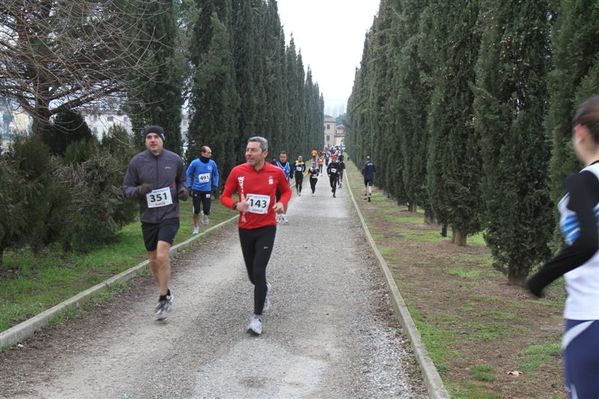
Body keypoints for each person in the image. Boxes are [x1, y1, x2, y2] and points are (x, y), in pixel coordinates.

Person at [526, 96, 599, 399]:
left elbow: (589, 240)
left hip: (590, 319)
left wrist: (540, 278)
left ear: (580, 132)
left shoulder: (582, 182)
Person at [220, 136, 291, 336]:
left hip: (267, 227)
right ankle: (264, 288)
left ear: (264, 153)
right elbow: (224, 196)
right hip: (245, 228)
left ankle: (256, 318)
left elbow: (286, 192)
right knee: (252, 275)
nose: (249, 153)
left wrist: (281, 204)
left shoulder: (275, 173)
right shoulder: (238, 172)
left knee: (259, 270)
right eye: (247, 150)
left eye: (253, 150)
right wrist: (235, 205)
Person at [122, 125, 188, 321]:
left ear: (162, 139)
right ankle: (166, 291)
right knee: (153, 259)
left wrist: (184, 191)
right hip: (148, 218)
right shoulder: (137, 162)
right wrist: (139, 191)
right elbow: (126, 189)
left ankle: (162, 300)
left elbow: (183, 181)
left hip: (170, 215)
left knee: (162, 254)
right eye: (149, 137)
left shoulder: (174, 159)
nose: (152, 140)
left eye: (156, 137)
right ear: (145, 141)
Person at [186, 146, 219, 234]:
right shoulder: (195, 163)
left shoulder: (212, 163)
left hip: (207, 190)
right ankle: (196, 227)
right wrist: (189, 186)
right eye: (208, 153)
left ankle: (205, 215)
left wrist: (215, 185)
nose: (210, 154)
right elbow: (188, 174)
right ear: (202, 153)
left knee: (207, 209)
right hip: (196, 189)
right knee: (196, 210)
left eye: (210, 153)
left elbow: (216, 174)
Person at [275, 151, 291, 223]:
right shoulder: (276, 164)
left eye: (284, 157)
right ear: (279, 157)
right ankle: (278, 216)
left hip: (286, 187)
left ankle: (284, 215)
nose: (282, 158)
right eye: (281, 157)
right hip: (277, 187)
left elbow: (291, 175)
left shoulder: (289, 164)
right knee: (278, 201)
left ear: (286, 157)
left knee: (285, 201)